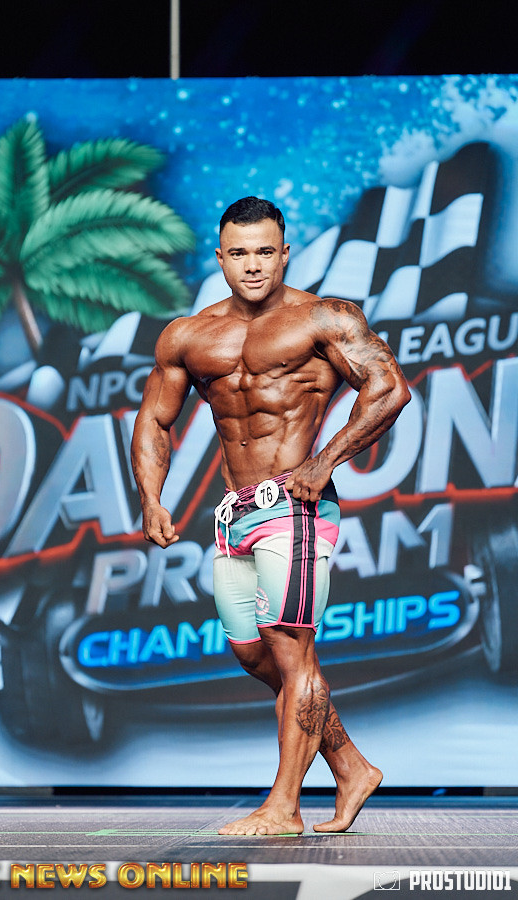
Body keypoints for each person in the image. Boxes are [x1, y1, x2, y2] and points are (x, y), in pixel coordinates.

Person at [131, 196, 411, 836]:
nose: (253, 265)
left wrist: (325, 461)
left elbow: (388, 387)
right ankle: (352, 767)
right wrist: (151, 496)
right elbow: (155, 419)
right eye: (239, 253)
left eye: (265, 252)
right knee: (254, 653)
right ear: (220, 257)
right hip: (234, 512)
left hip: (297, 505)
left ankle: (283, 806)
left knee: (290, 647)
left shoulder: (322, 318)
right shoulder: (187, 335)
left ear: (285, 254)